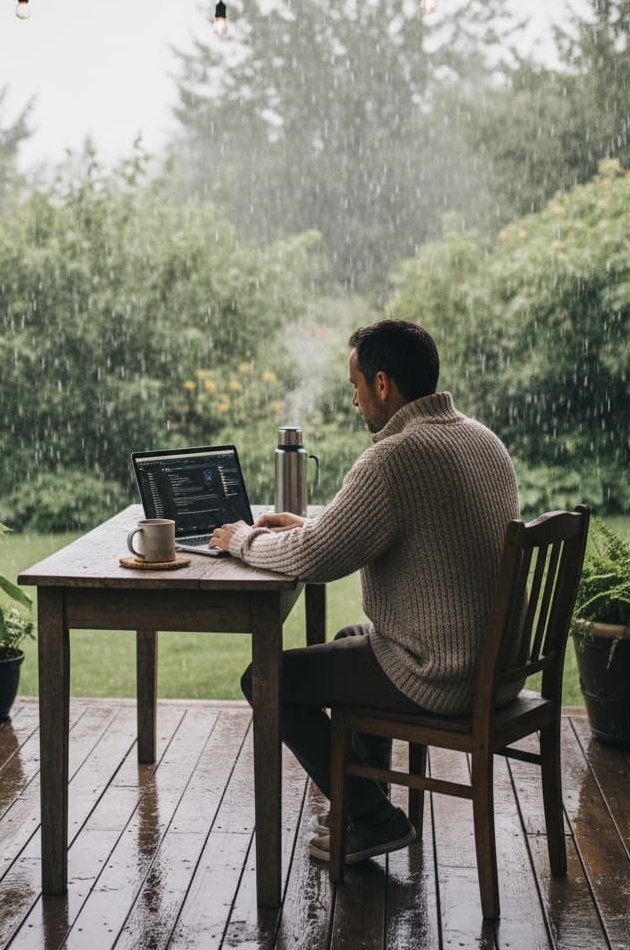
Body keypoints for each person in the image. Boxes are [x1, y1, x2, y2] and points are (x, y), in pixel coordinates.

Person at [209, 319, 519, 866]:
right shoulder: (480, 439)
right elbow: (406, 518)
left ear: (382, 383)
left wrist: (242, 540)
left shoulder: (393, 457)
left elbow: (316, 559)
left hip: (442, 678)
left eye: (355, 386)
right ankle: (365, 808)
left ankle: (371, 816)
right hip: (498, 673)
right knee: (354, 636)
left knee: (265, 679)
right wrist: (311, 522)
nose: (353, 401)